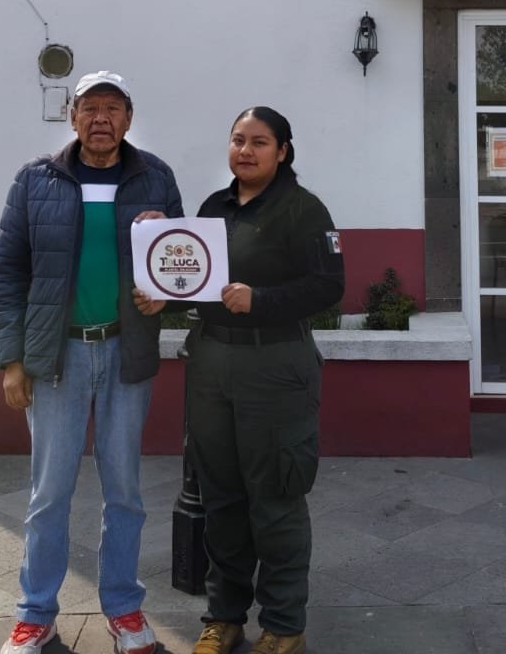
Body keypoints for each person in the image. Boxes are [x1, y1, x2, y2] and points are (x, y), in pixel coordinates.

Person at [0, 71, 183, 654]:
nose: (102, 118)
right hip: (57, 357)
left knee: (124, 491)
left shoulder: (156, 178)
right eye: (90, 107)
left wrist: (165, 295)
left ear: (129, 117)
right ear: (71, 115)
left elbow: (178, 261)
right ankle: (35, 614)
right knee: (49, 493)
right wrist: (12, 360)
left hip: (127, 351)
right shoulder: (35, 179)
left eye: (113, 108)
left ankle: (124, 609)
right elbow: (8, 273)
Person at [141, 106, 343, 654]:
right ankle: (224, 618)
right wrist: (162, 289)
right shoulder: (215, 208)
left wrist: (263, 300)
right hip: (212, 364)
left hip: (275, 366)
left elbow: (330, 287)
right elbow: (197, 280)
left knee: (275, 496)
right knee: (221, 497)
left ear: (283, 151)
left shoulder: (304, 209)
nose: (245, 151)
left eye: (259, 142)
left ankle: (284, 625)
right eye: (237, 140)